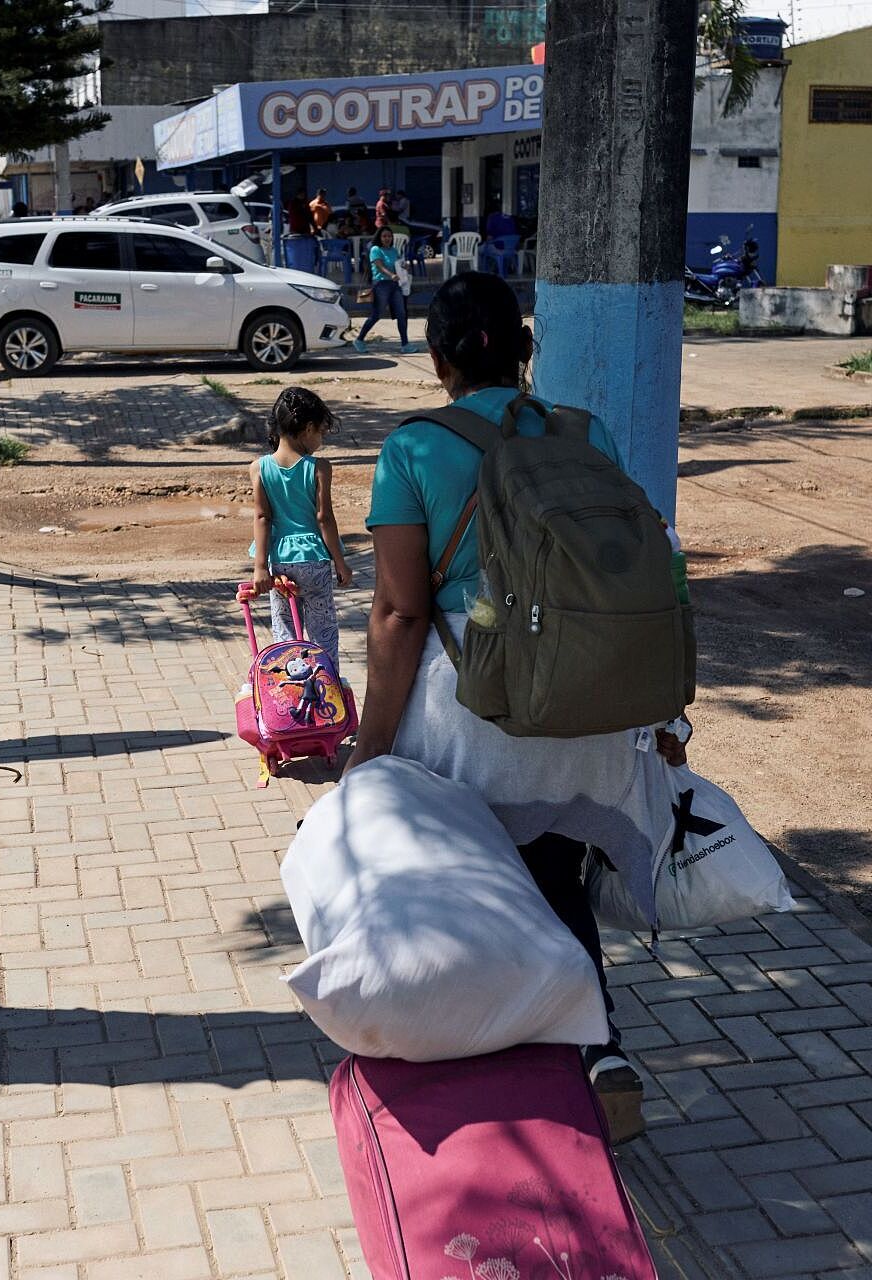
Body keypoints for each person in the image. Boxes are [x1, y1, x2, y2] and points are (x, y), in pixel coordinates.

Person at [349, 271, 690, 1146]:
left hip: (475, 706)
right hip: (583, 705)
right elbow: (640, 566)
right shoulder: (585, 432)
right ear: (522, 346)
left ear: (436, 359)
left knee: (460, 895)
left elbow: (399, 613)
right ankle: (600, 1052)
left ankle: (483, 1076)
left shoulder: (412, 448)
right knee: (556, 877)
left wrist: (370, 748)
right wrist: (664, 718)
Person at [249, 388, 353, 670]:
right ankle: (325, 684)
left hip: (280, 562)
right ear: (308, 429)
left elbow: (262, 518)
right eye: (320, 432)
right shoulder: (319, 467)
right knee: (323, 631)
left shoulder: (259, 468)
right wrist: (341, 562)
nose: (320, 440)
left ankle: (290, 684)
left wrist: (260, 568)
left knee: (285, 630)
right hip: (314, 561)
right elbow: (324, 519)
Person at [352, 226, 413, 355]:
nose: (387, 238)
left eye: (389, 236)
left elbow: (398, 264)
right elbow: (379, 266)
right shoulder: (375, 249)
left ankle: (405, 344)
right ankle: (359, 340)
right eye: (384, 236)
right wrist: (391, 275)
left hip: (395, 285)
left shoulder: (394, 250)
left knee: (402, 314)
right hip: (381, 285)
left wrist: (404, 266)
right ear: (379, 237)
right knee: (376, 315)